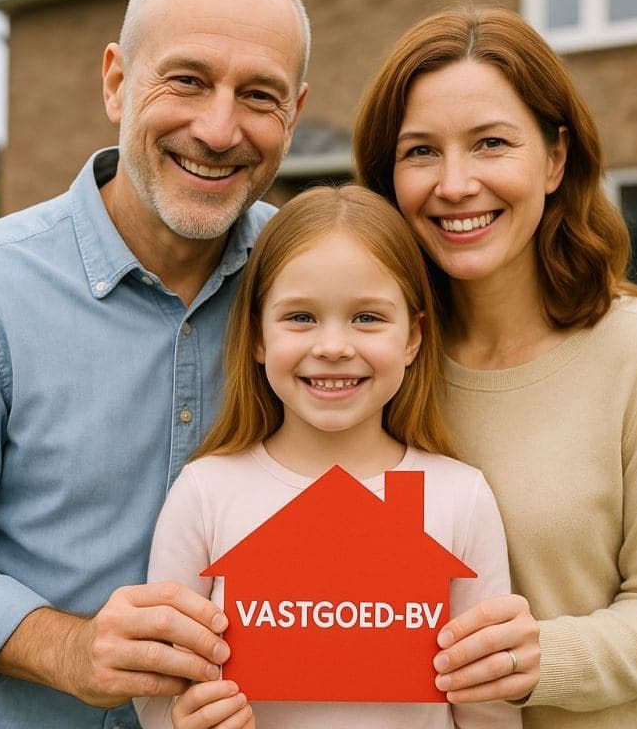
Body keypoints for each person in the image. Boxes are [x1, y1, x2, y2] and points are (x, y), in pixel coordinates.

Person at [0, 0, 308, 729]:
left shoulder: (314, 282)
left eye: (259, 96)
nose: (217, 127)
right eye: (188, 80)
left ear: (294, 116)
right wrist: (69, 648)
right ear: (115, 82)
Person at [353, 6, 637, 728]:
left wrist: (537, 660)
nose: (455, 184)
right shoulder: (378, 364)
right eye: (420, 151)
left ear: (555, 158)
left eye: (491, 143)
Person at [134, 184, 521, 729]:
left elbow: (488, 709)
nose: (334, 346)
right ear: (257, 336)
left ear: (413, 337)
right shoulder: (206, 493)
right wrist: (183, 718)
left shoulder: (459, 496)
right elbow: (156, 693)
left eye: (367, 318)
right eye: (300, 317)